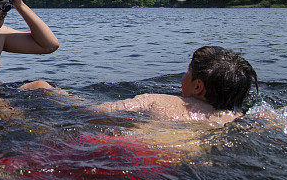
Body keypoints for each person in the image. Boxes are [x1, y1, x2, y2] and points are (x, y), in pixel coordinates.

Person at [90, 45, 258, 125]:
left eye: (188, 71)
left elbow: (95, 112)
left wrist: (64, 97)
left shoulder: (156, 101)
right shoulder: (243, 119)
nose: (183, 77)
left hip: (148, 154)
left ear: (198, 86)